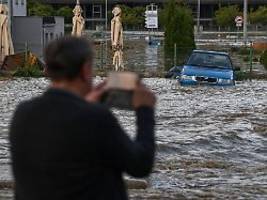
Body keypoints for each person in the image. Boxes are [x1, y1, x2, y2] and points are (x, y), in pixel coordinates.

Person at [9, 36, 156, 200]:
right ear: (85, 70)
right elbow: (141, 164)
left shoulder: (23, 113)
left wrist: (87, 104)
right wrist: (145, 109)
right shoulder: (96, 118)